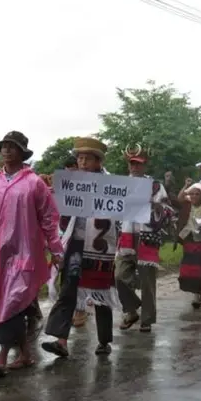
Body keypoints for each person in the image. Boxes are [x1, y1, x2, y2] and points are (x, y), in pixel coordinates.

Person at [0, 131, 63, 376]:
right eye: (4, 146)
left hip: (26, 255)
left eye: (13, 146)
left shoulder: (34, 183)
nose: (7, 150)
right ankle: (24, 354)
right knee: (9, 303)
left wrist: (56, 249)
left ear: (22, 152)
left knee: (12, 302)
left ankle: (1, 355)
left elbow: (49, 219)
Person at [41, 137, 120, 358]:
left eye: (87, 158)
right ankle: (61, 340)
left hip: (99, 247)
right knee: (68, 289)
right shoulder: (71, 182)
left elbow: (123, 207)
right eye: (79, 158)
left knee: (100, 293)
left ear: (98, 162)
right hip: (75, 242)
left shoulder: (112, 184)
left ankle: (104, 340)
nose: (82, 162)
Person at [116, 145, 170, 333]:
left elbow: (165, 210)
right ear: (128, 165)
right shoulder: (120, 185)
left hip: (147, 236)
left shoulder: (155, 185)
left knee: (147, 282)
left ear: (145, 165)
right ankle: (131, 311)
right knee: (119, 277)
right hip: (126, 236)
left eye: (138, 164)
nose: (135, 167)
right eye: (132, 164)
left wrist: (153, 205)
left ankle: (146, 319)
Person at [176, 181, 201, 308]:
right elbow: (180, 198)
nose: (193, 196)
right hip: (189, 239)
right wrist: (186, 186)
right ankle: (200, 294)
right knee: (189, 270)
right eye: (191, 194)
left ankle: (196, 296)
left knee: (199, 270)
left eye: (196, 194)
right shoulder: (188, 205)